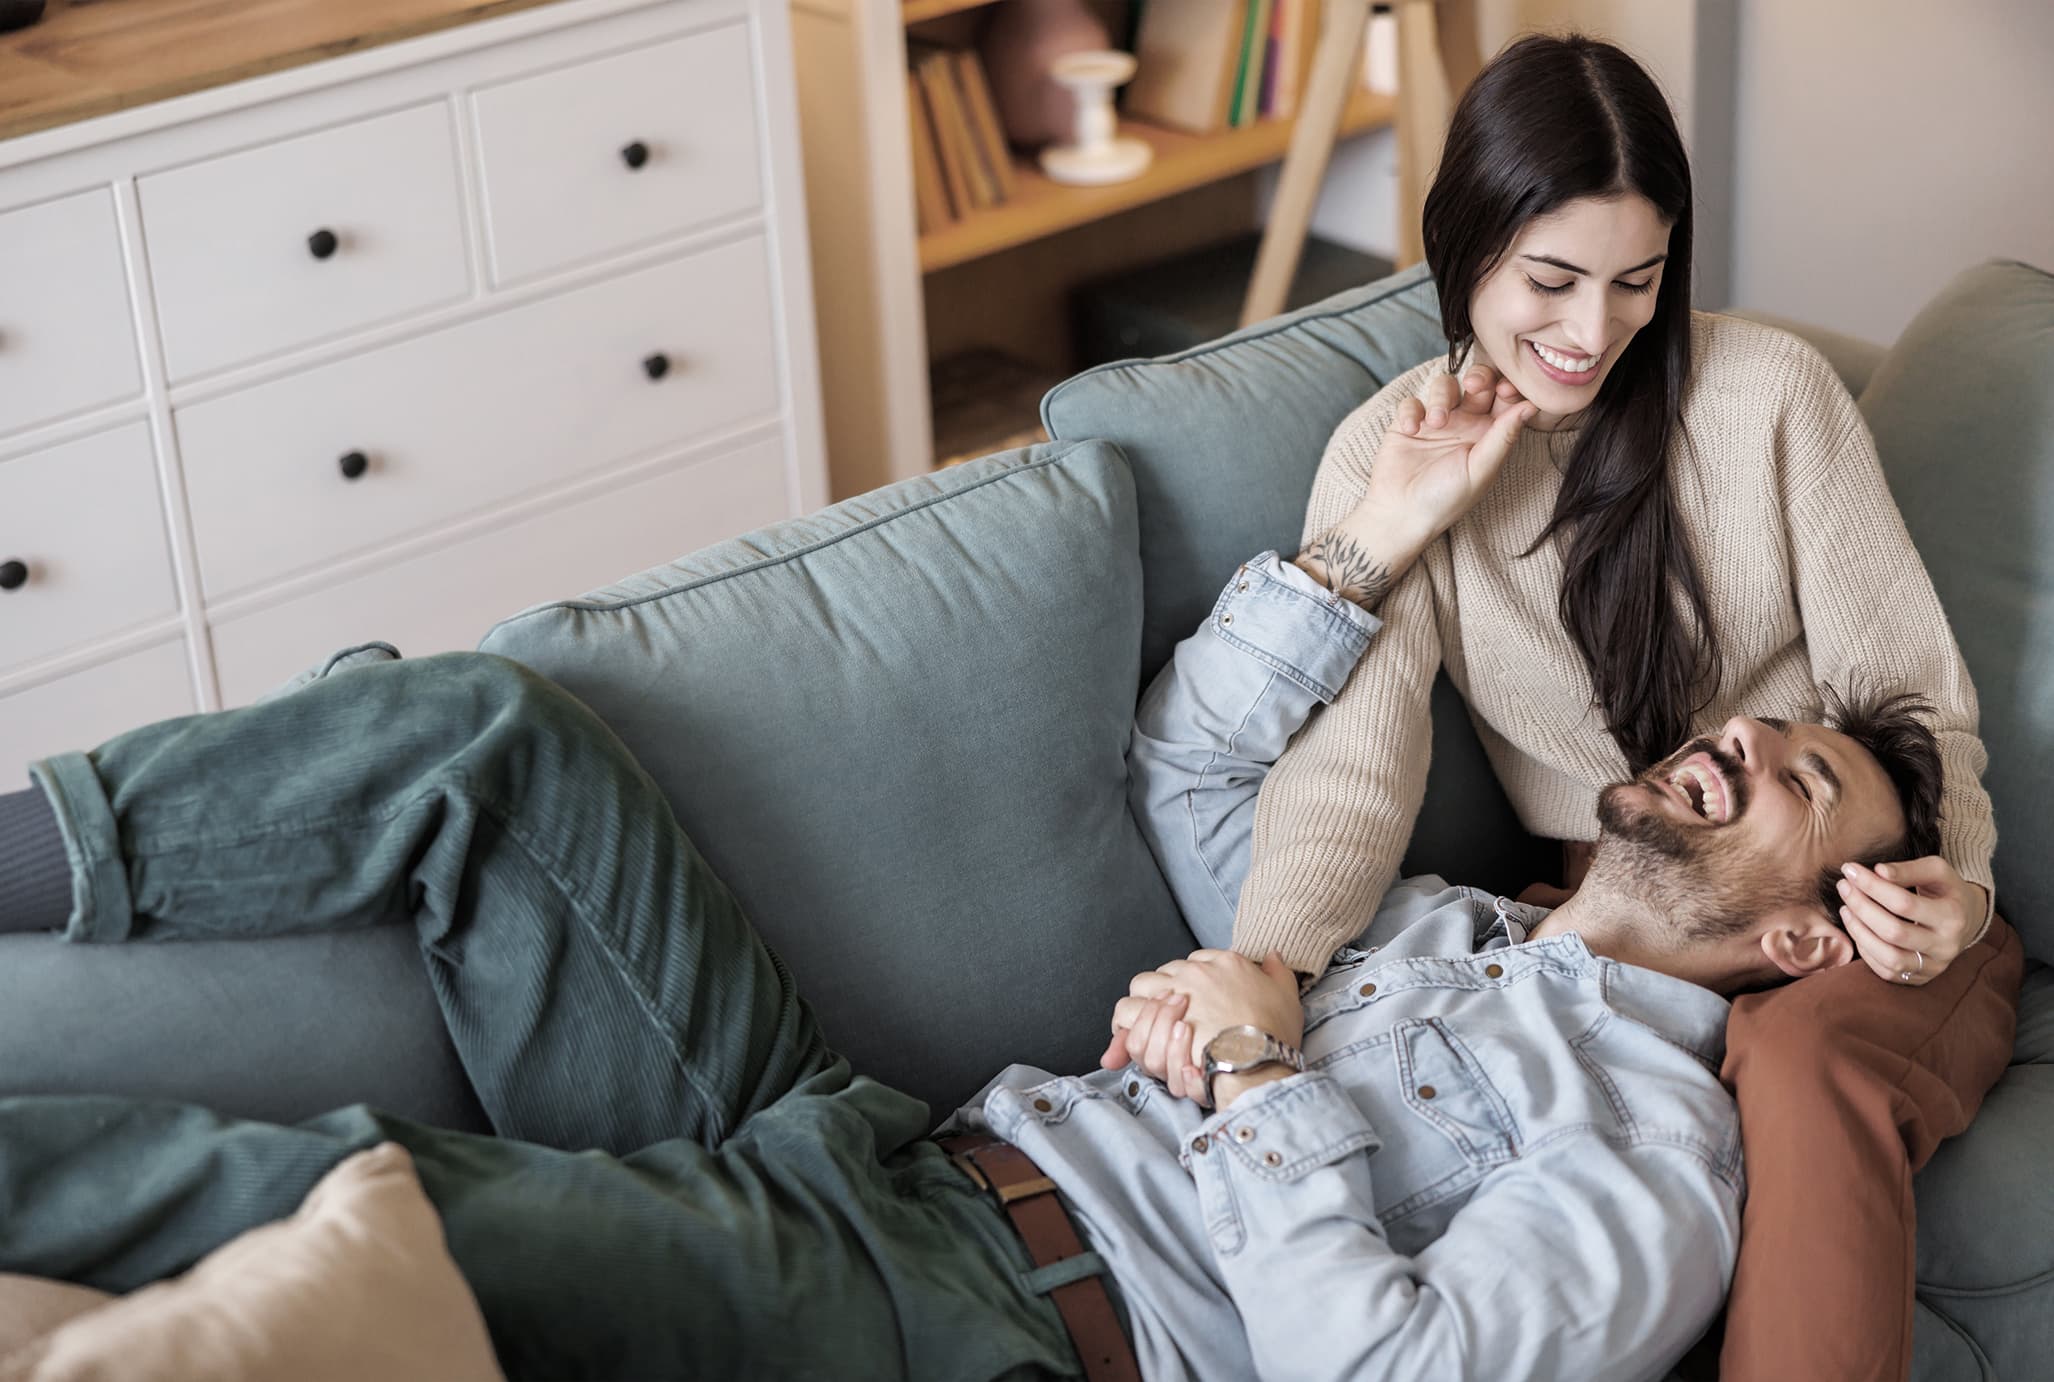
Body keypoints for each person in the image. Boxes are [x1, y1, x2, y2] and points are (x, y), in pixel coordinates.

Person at [0, 451, 1949, 1381]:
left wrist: (1264, 1068)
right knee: (489, 745)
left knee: (343, 1209)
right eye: (1749, 725)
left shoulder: (1659, 1156)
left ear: (1803, 937)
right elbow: (1190, 776)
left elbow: (1383, 1373)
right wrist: (1359, 550)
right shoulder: (1436, 921)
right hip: (867, 1141)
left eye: (1798, 782)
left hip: (979, 1312)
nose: (1740, 743)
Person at [1200, 32, 2021, 1379]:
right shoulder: (1391, 450)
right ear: (1463, 246)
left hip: (1866, 879)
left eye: (1635, 282)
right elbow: (1351, 765)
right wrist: (1267, 981)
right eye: (1550, 280)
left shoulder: (1769, 396)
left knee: (1801, 1062)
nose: (1592, 332)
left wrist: (1964, 891)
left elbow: (1915, 698)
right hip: (1646, 905)